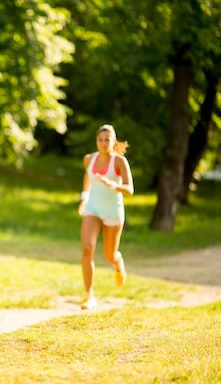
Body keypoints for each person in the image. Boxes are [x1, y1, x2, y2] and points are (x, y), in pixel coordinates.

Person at [78, 124, 134, 310]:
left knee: (109, 255)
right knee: (87, 248)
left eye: (107, 140)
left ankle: (117, 263)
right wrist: (84, 199)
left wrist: (112, 184)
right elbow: (88, 178)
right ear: (96, 141)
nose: (103, 143)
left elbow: (129, 190)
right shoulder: (89, 159)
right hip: (93, 209)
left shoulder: (119, 162)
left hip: (113, 212)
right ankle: (89, 295)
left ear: (113, 141)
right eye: (100, 140)